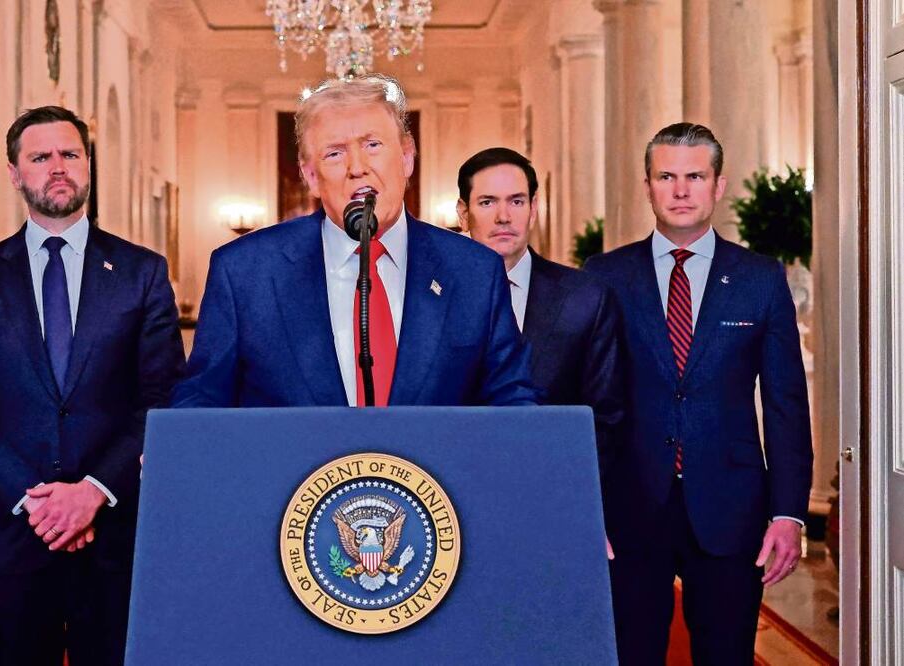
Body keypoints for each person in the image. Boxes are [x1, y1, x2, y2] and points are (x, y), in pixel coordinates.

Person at [0, 106, 186, 665]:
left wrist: (93, 491)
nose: (57, 167)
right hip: (14, 534)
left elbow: (162, 398)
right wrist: (37, 502)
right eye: (40, 156)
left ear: (89, 165)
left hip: (115, 531)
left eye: (70, 154)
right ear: (15, 172)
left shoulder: (142, 273)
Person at [583, 122, 813, 664]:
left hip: (731, 510)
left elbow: (785, 405)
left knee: (727, 655)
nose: (681, 190)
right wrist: (583, 508)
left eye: (694, 176)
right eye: (667, 176)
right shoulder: (603, 277)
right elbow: (586, 404)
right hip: (630, 507)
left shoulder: (760, 278)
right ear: (648, 186)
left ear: (718, 185)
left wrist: (789, 513)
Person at [171, 75, 535, 407]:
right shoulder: (245, 271)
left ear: (407, 158)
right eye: (335, 153)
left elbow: (512, 398)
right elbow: (202, 398)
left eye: (373, 144)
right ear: (311, 177)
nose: (357, 166)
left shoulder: (474, 270)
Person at [457, 147, 624, 477]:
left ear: (533, 209)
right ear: (464, 213)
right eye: (488, 202)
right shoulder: (432, 297)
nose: (504, 216)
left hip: (555, 490)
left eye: (516, 201)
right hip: (450, 495)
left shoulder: (585, 298)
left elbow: (606, 420)